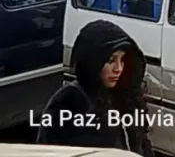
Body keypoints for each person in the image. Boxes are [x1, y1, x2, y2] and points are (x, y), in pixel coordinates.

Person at [37, 20, 154, 155]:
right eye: (111, 60)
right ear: (93, 62)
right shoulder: (69, 102)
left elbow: (143, 145)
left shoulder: (126, 97)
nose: (118, 68)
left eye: (122, 60)